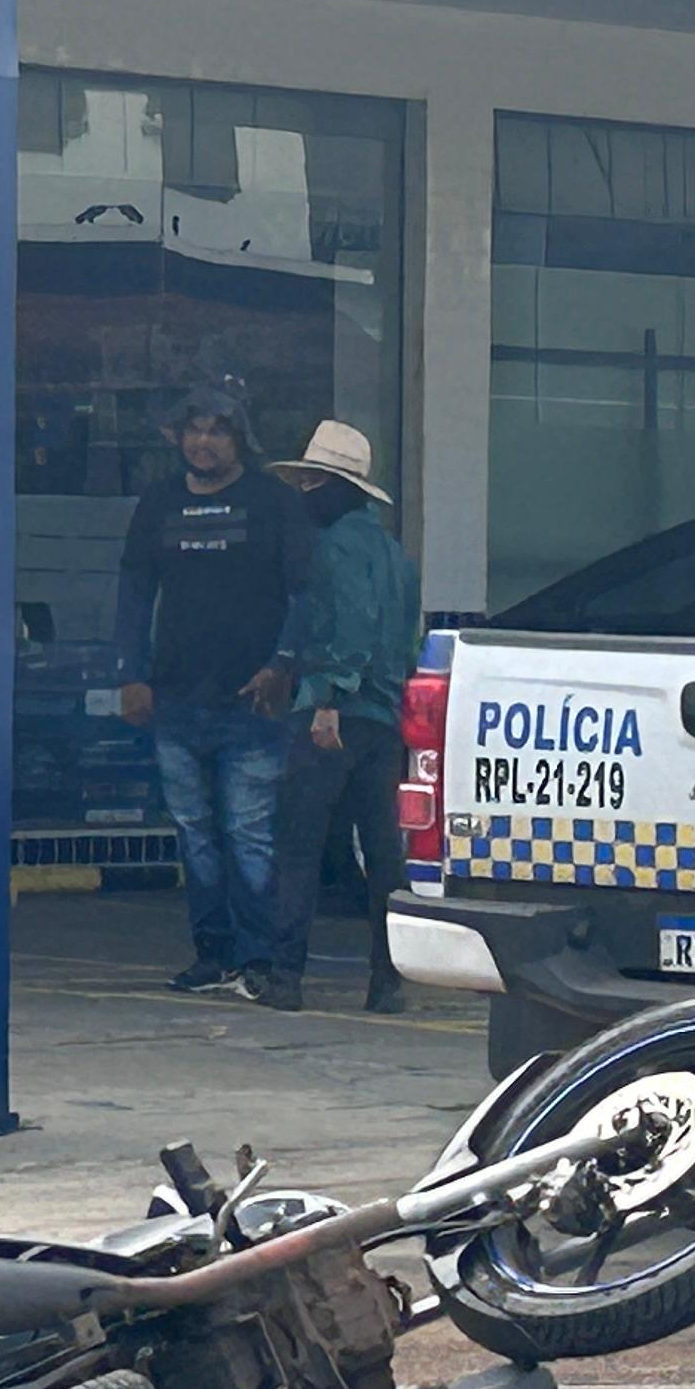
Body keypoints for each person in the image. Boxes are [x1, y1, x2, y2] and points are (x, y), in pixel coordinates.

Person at [112, 380, 312, 998]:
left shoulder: (273, 502)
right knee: (194, 833)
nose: (203, 442)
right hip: (175, 699)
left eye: (217, 430)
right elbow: (135, 590)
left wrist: (282, 665)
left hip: (252, 703)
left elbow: (305, 594)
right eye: (194, 430)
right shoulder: (159, 503)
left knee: (249, 834)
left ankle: (259, 961)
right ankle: (213, 956)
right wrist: (131, 673)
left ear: (240, 438)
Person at [257, 420, 423, 1014]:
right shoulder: (397, 557)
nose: (304, 491)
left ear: (334, 487)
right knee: (383, 855)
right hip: (384, 717)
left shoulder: (335, 549)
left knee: (299, 846)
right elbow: (408, 641)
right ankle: (389, 980)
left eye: (312, 480)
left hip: (334, 714)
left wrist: (328, 697)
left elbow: (348, 628)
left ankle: (285, 977)